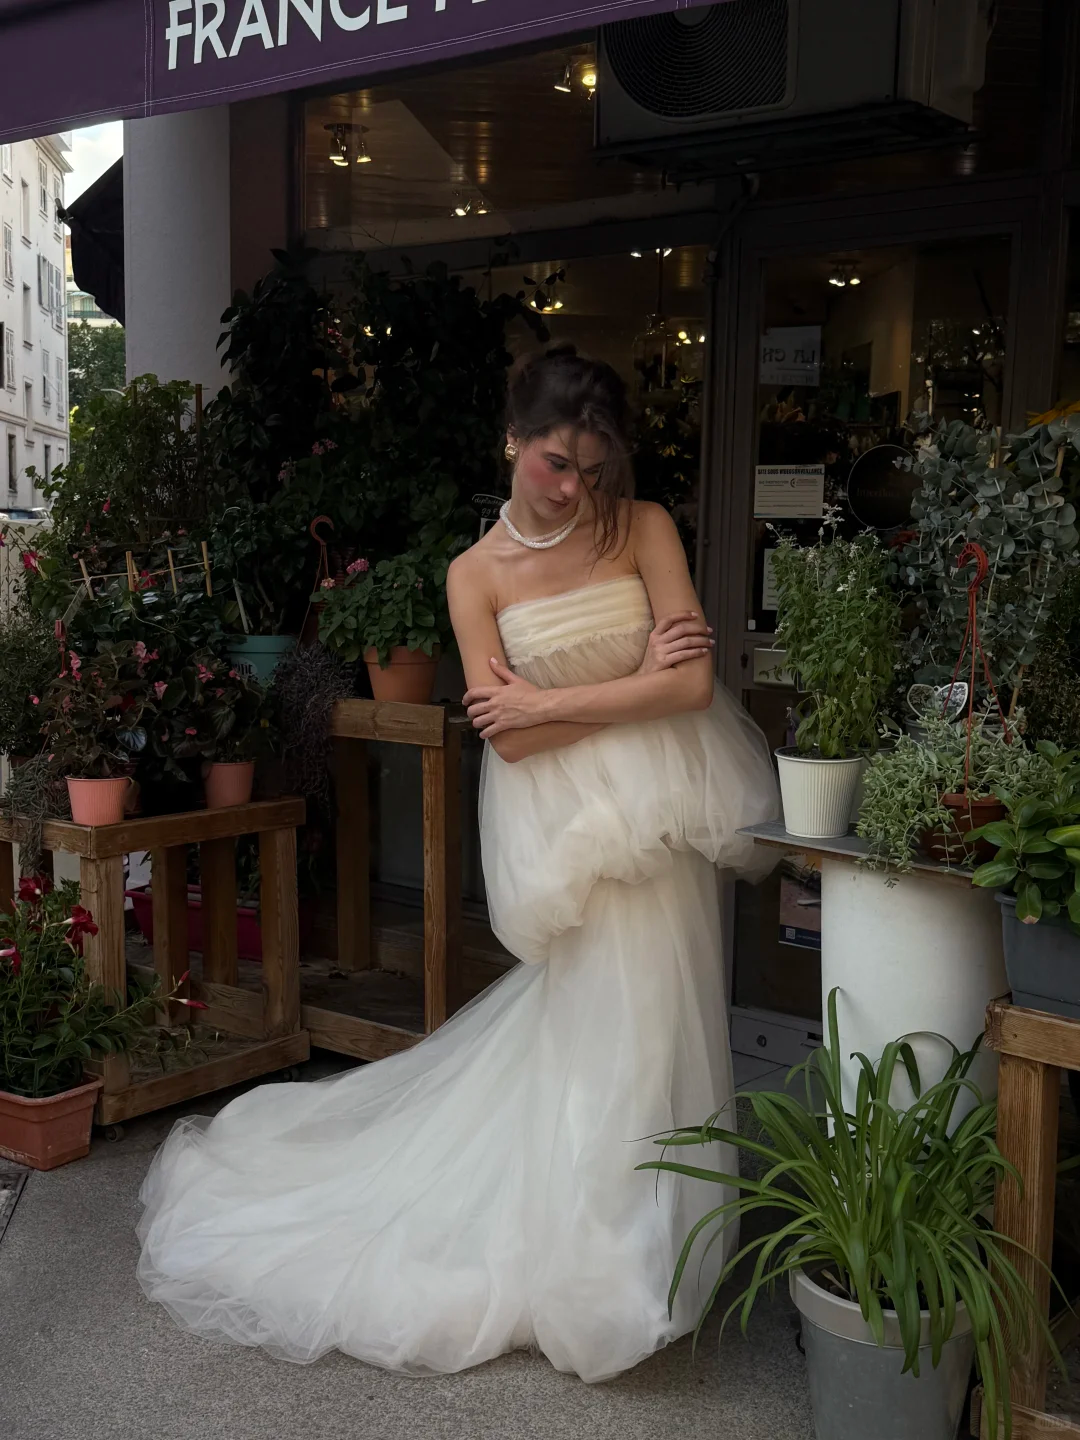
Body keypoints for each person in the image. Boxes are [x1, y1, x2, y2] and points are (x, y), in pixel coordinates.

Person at [136, 346, 779, 1384]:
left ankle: (659, 1246)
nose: (578, 486)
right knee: (604, 1037)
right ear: (515, 444)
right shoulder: (473, 575)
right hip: (581, 834)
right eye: (559, 463)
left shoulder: (644, 525)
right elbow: (513, 743)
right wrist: (604, 690)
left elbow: (692, 688)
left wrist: (544, 698)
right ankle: (601, 1267)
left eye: (594, 465)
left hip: (664, 822)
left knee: (667, 1032)